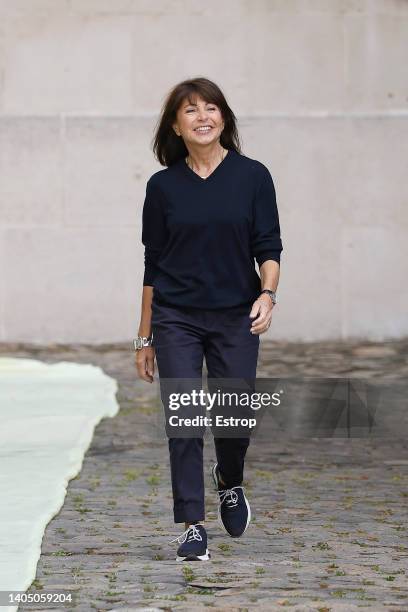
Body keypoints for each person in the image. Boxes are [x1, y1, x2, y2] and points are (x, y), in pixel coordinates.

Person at [134, 77, 282, 561]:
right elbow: (152, 262)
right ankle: (192, 525)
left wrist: (268, 294)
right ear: (175, 126)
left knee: (233, 414)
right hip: (176, 316)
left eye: (211, 108)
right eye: (191, 110)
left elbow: (269, 246)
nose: (203, 116)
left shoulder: (253, 176)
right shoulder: (162, 186)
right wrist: (144, 337)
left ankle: (230, 480)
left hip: (235, 315)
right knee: (185, 420)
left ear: (224, 118)